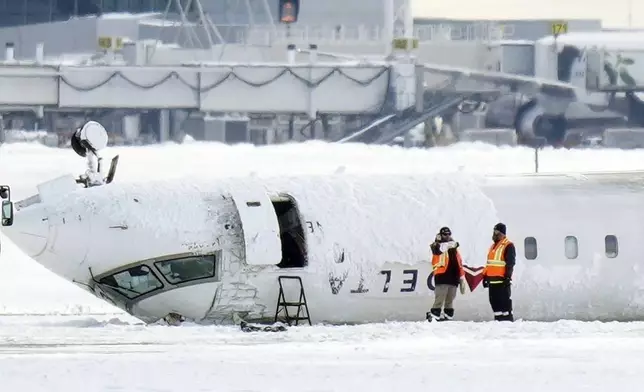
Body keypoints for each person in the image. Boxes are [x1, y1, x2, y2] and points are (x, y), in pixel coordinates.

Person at [427, 226, 465, 322]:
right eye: (444, 234)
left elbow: (459, 263)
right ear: (440, 235)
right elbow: (438, 250)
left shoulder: (454, 248)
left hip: (453, 278)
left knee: (450, 299)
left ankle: (448, 317)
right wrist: (448, 244)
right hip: (442, 276)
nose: (447, 236)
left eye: (448, 234)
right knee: (440, 298)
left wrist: (461, 277)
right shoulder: (437, 245)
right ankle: (434, 316)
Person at [482, 223, 516, 321]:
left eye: (497, 232)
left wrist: (508, 277)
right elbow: (489, 264)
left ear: (502, 233)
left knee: (504, 304)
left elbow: (510, 263)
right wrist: (485, 277)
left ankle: (507, 321)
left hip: (502, 281)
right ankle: (498, 320)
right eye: (494, 232)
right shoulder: (493, 246)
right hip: (492, 281)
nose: (494, 234)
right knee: (494, 303)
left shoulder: (508, 245)